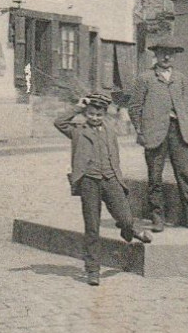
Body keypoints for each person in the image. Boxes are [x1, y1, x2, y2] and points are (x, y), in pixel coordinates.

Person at [54, 92, 152, 286]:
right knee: (92, 227)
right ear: (86, 113)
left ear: (104, 114)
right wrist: (78, 107)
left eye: (99, 115)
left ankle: (129, 230)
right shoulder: (78, 130)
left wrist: (117, 176)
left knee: (125, 217)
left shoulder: (109, 129)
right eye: (91, 114)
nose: (95, 118)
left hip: (111, 179)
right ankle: (92, 270)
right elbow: (59, 122)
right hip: (89, 181)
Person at [128, 41, 188, 233]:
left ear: (174, 56)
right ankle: (157, 217)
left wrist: (185, 125)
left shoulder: (180, 78)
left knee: (185, 175)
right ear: (156, 55)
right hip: (154, 133)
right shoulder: (145, 78)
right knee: (155, 177)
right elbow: (134, 107)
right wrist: (140, 131)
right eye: (162, 54)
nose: (166, 58)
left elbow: (185, 103)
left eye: (170, 54)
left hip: (178, 132)